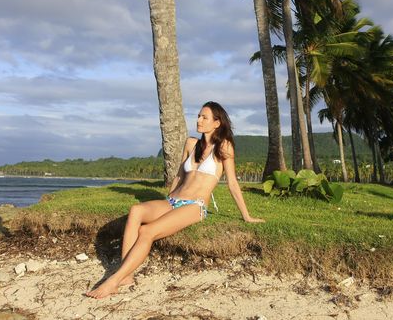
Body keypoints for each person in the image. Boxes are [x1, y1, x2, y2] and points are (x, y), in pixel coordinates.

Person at [86, 101, 265, 299]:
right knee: (136, 210)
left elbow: (232, 183)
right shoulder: (191, 144)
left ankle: (113, 280)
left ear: (216, 123)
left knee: (147, 231)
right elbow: (180, 175)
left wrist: (246, 216)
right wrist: (167, 199)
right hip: (174, 200)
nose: (198, 120)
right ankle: (127, 275)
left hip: (194, 206)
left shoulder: (224, 146)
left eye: (204, 117)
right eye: (198, 115)